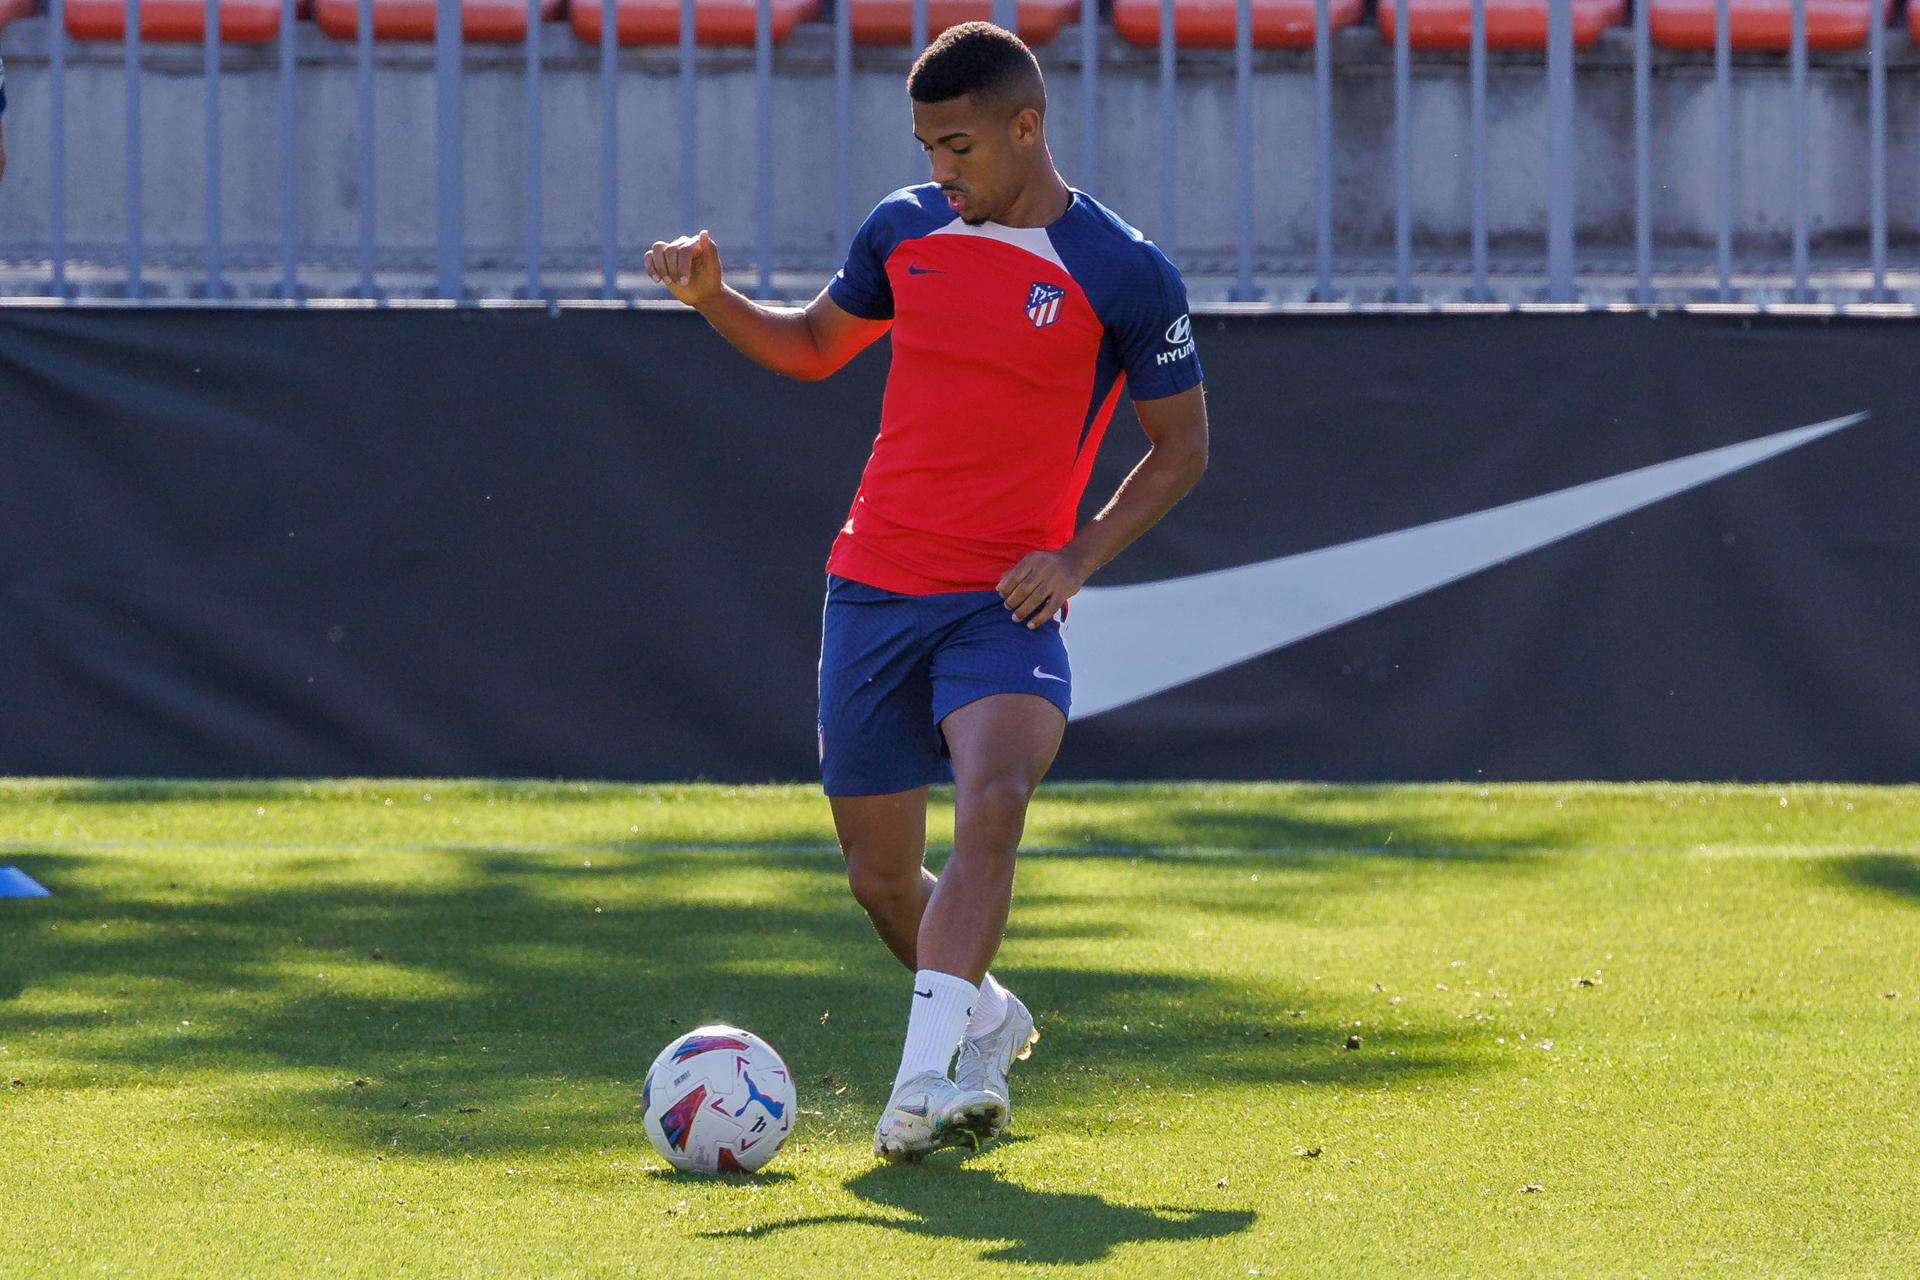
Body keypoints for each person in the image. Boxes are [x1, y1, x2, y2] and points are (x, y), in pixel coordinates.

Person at [644, 21, 1208, 1163]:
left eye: (958, 145)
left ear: (1025, 127)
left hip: (1005, 598)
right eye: (925, 146)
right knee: (880, 876)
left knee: (994, 792)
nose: (939, 168)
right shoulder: (903, 231)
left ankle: (924, 1085)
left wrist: (1078, 556)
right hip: (872, 585)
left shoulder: (1126, 271)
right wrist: (714, 298)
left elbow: (1183, 445)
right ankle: (989, 1017)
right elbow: (812, 347)